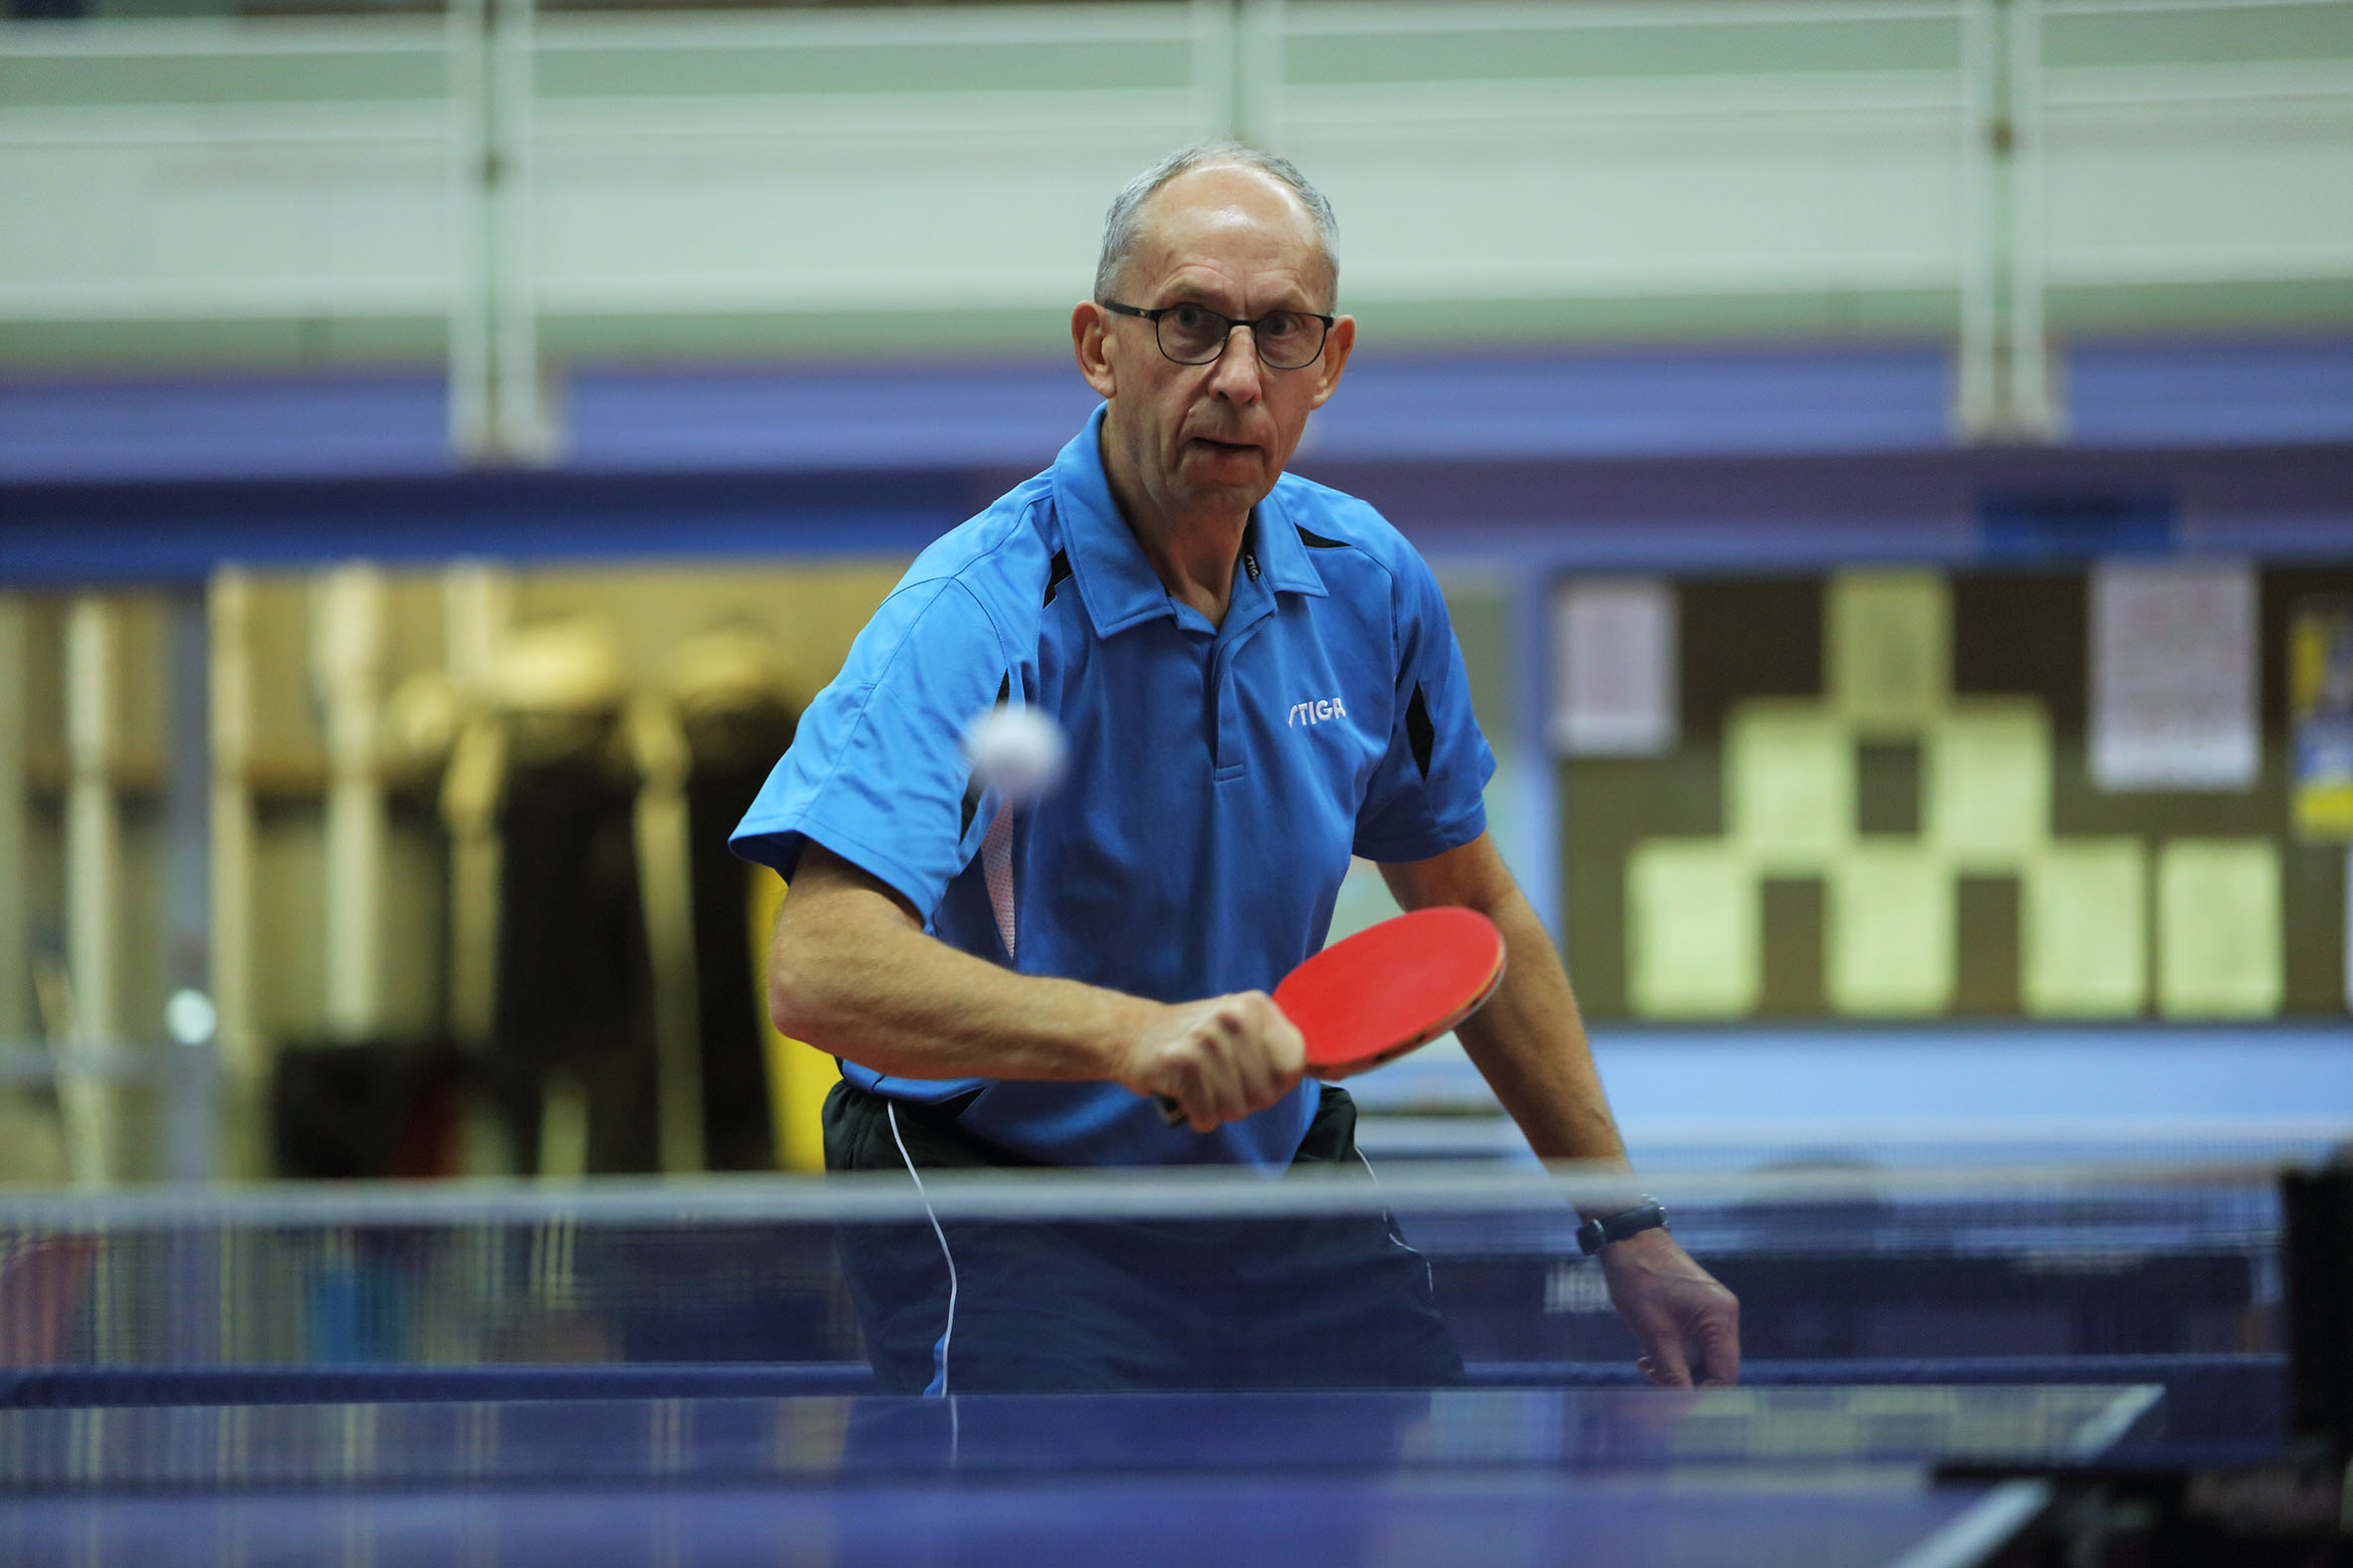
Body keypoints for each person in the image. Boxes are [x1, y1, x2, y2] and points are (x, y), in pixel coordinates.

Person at [731, 141, 1740, 1395]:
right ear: (1099, 346)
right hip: (1000, 1178)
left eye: (1283, 334)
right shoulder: (975, 612)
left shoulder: (1368, 587)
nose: (1239, 378)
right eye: (1191, 326)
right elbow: (819, 966)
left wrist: (1624, 1225)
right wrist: (1130, 1036)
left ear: (1335, 360)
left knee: (1384, 1470)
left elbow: (1470, 911)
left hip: (1266, 1171)